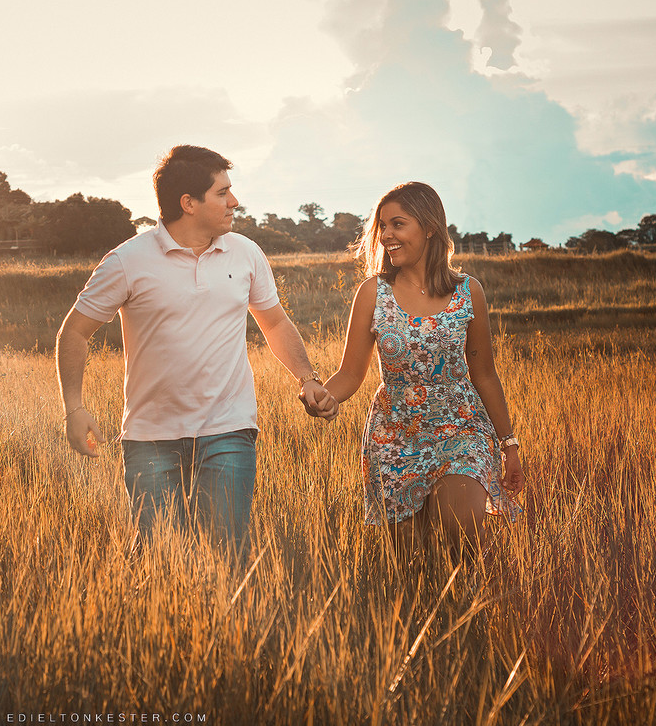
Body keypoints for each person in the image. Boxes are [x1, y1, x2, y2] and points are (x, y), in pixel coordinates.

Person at [56, 145, 337, 559]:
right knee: (159, 560)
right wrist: (74, 407)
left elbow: (275, 323)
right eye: (222, 193)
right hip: (150, 437)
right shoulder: (127, 260)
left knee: (226, 556)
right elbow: (74, 332)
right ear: (188, 203)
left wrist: (307, 377)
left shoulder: (246, 252)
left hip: (229, 430)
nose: (234, 201)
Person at [319, 182, 524, 558]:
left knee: (461, 527)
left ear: (430, 227)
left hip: (461, 430)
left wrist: (508, 445)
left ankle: (478, 591)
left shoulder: (468, 292)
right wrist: (324, 396)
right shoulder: (373, 293)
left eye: (398, 224)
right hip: (396, 437)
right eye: (382, 226)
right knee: (410, 561)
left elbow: (484, 374)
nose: (386, 235)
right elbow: (350, 373)